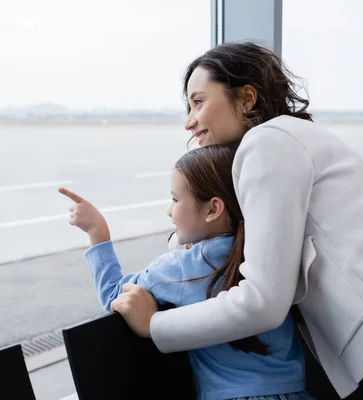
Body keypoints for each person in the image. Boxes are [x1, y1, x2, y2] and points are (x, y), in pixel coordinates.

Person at [106, 41, 363, 399]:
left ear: (245, 98)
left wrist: (154, 325)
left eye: (198, 102)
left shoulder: (266, 144)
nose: (189, 121)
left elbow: (262, 302)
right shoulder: (293, 137)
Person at [58, 144, 314, 400]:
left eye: (175, 199)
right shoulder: (266, 251)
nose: (169, 210)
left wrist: (97, 233)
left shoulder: (182, 268)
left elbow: (116, 296)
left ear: (213, 209)